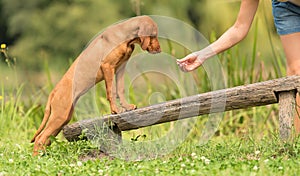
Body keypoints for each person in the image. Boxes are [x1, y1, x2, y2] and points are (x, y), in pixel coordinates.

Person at [177, 0, 300, 134]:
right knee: (296, 71)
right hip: (288, 8)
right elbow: (239, 28)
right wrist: (202, 55)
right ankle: (295, 141)